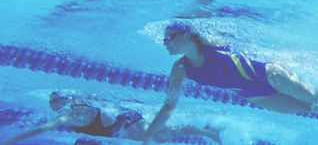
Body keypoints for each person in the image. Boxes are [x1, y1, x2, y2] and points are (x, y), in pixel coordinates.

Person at [143, 22, 318, 143]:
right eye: (164, 39)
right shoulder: (180, 69)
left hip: (269, 74)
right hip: (256, 95)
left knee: (314, 97)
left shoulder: (209, 42)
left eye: (170, 37)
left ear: (187, 35)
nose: (165, 43)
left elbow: (205, 15)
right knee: (306, 108)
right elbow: (169, 105)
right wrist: (148, 136)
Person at [1, 91, 221, 144]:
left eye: (54, 102)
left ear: (65, 101)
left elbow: (39, 129)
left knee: (164, 135)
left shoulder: (70, 116)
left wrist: (11, 141)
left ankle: (208, 131)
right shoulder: (73, 108)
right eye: (50, 102)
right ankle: (207, 130)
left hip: (125, 123)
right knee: (164, 135)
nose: (51, 106)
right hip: (113, 128)